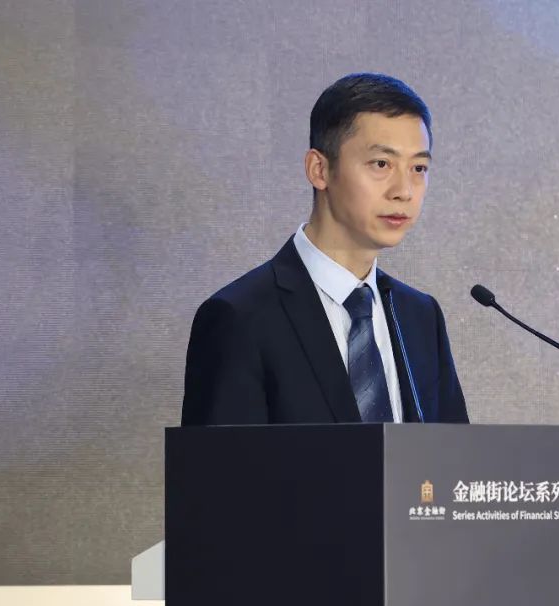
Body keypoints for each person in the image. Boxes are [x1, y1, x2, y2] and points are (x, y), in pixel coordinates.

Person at [181, 73, 469, 425]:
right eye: (381, 164)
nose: (404, 191)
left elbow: (454, 454)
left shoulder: (421, 317)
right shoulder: (240, 317)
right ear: (319, 169)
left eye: (419, 168)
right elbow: (219, 461)